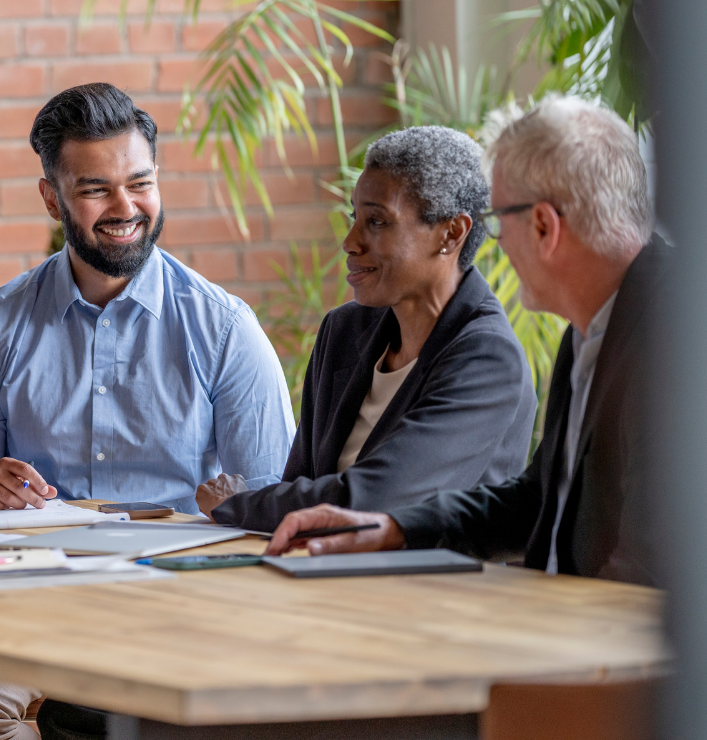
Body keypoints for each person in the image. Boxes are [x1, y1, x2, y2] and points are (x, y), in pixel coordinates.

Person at [0, 83, 294, 740]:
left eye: (139, 184)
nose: (125, 208)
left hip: (181, 599)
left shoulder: (225, 329)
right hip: (32, 597)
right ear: (51, 199)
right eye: (96, 191)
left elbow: (276, 504)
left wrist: (235, 503)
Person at [262, 96, 661, 586]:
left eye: (496, 221)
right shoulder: (593, 329)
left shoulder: (674, 342)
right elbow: (536, 501)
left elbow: (654, 568)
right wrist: (395, 528)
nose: (491, 243)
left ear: (543, 226)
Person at [198, 126, 537, 531]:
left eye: (376, 221)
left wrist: (240, 503)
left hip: (428, 587)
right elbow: (300, 483)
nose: (351, 241)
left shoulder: (488, 358)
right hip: (318, 569)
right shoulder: (342, 331)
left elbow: (376, 498)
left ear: (451, 234)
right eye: (354, 217)